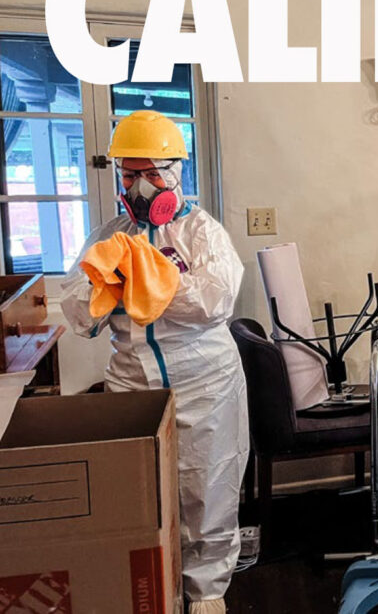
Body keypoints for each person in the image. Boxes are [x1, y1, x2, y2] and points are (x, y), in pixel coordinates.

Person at [61, 110, 248, 614]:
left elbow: (215, 301)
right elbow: (78, 309)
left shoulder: (202, 232)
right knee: (140, 490)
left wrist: (143, 281)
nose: (141, 186)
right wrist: (109, 285)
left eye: (151, 173)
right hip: (132, 383)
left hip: (205, 381)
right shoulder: (110, 236)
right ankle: (149, 578)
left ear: (176, 174)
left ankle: (207, 591)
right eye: (129, 173)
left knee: (207, 486)